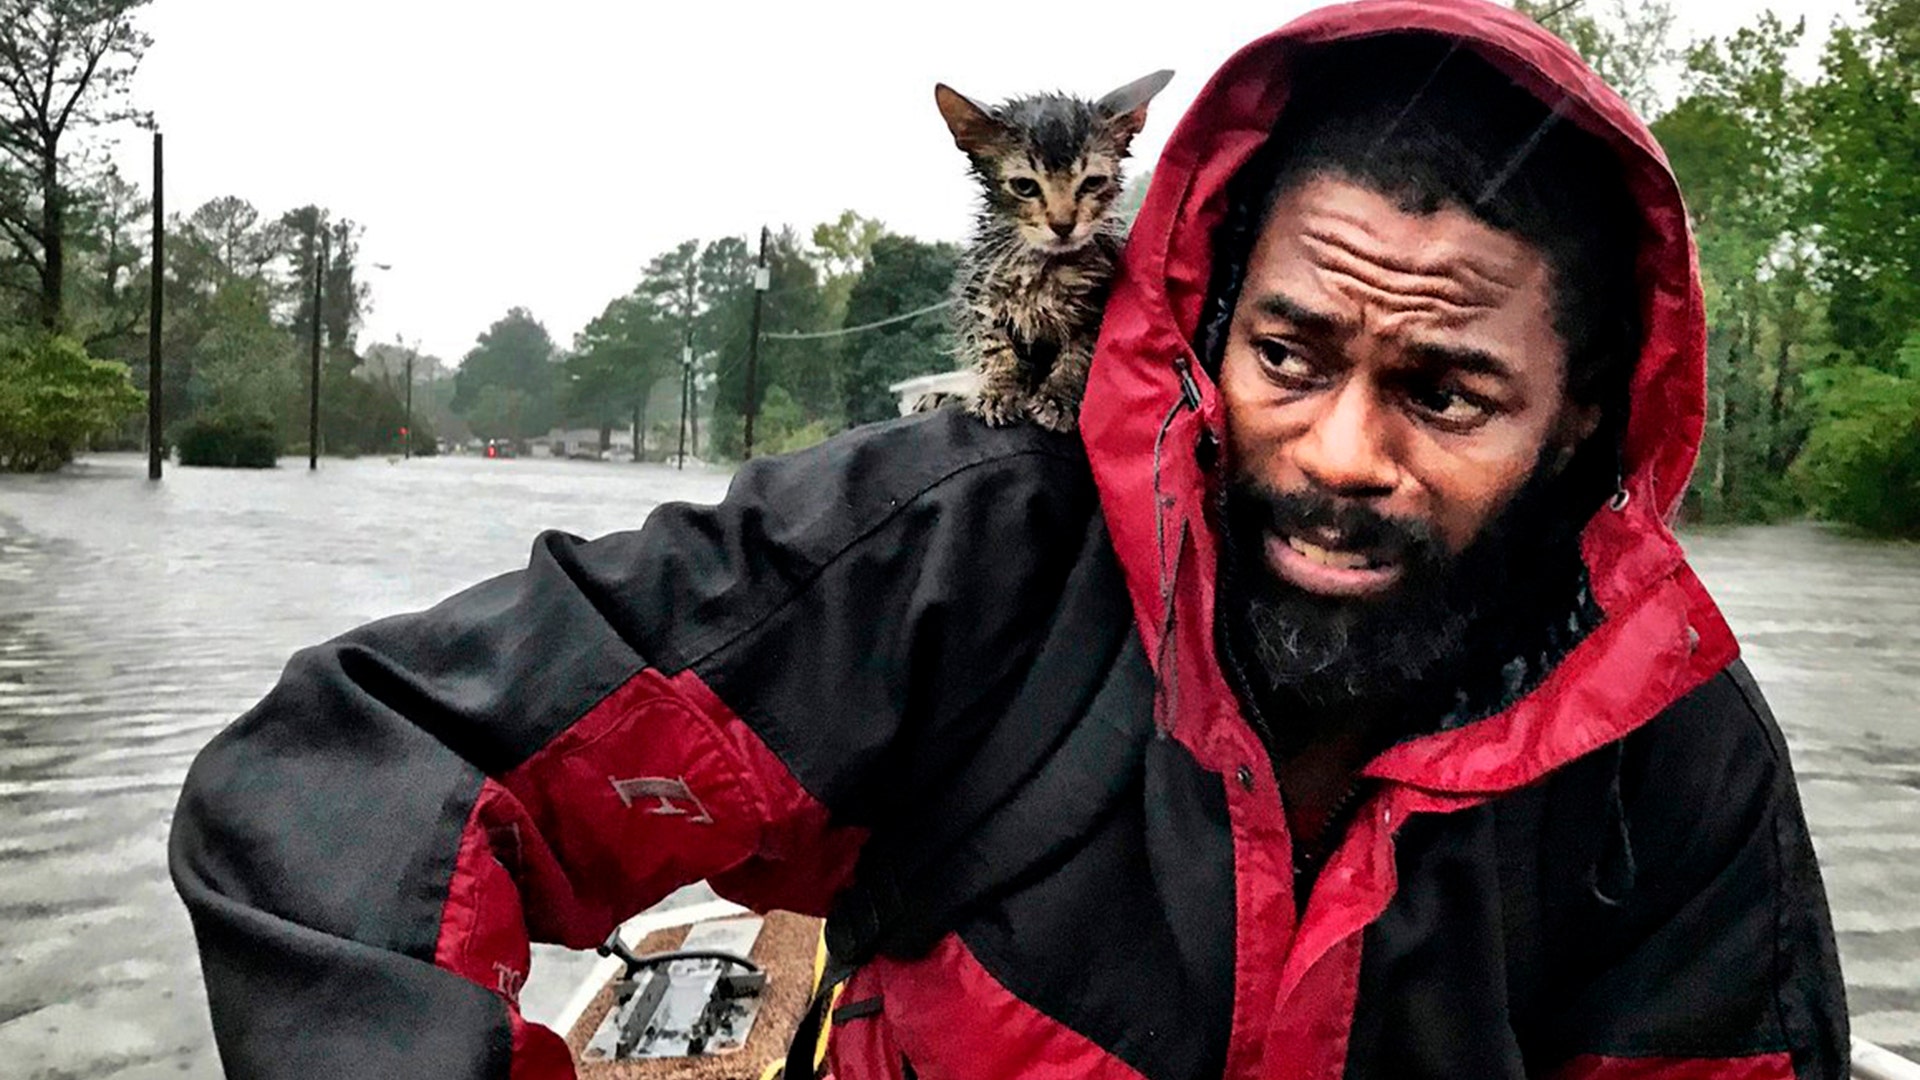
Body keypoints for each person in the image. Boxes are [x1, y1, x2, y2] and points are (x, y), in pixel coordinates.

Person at [170, 1, 1850, 1077]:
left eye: (1451, 392)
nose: (1344, 454)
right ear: (1206, 317)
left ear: (1578, 423)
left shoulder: (1669, 753)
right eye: (1290, 354)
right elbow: (367, 774)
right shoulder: (961, 553)